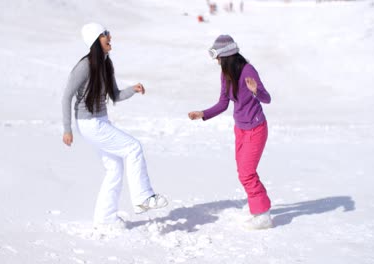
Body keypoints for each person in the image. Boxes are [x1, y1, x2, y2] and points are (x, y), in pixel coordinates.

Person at [62, 22, 168, 229]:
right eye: (105, 34)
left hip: (100, 121)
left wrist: (133, 89)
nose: (110, 36)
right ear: (95, 40)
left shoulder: (106, 63)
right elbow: (66, 97)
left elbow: (115, 95)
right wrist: (67, 129)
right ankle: (143, 197)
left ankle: (105, 219)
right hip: (89, 123)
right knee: (133, 148)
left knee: (114, 169)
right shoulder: (84, 66)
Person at [188, 35, 272, 230]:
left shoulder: (248, 71)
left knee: (246, 173)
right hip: (240, 129)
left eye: (217, 57)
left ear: (227, 56)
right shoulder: (226, 73)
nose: (216, 62)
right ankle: (258, 205)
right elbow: (223, 103)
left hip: (256, 129)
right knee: (243, 171)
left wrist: (255, 91)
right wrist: (203, 114)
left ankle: (262, 214)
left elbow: (267, 98)